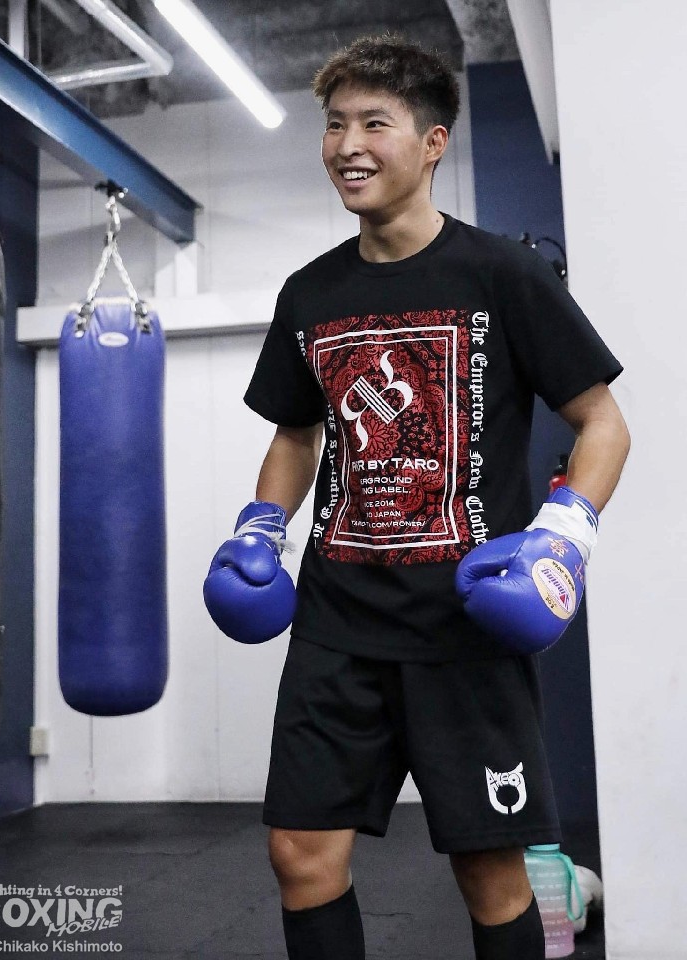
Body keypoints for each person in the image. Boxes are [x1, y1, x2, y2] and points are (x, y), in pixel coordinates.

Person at [205, 35, 630, 960]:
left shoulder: (501, 274)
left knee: (492, 875)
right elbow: (295, 435)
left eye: (374, 123)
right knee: (300, 856)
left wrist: (563, 537)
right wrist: (260, 528)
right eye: (334, 125)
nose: (347, 145)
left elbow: (603, 422)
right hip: (337, 621)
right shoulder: (310, 293)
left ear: (433, 142)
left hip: (464, 626)